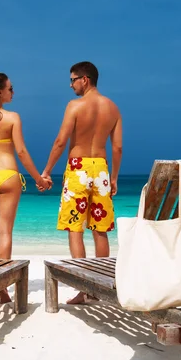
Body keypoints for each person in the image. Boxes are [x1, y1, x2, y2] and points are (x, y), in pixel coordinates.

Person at [41, 61, 122, 304]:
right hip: (101, 169)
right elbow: (117, 147)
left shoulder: (75, 106)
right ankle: (100, 288)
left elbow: (60, 142)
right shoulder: (113, 108)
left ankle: (84, 288)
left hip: (78, 168)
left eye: (73, 80)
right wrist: (115, 176)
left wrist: (46, 171)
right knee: (100, 229)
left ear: (85, 79)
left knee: (75, 229)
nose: (71, 85)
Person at [0, 72, 51, 303]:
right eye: (10, 88)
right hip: (8, 175)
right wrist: (38, 178)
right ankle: (3, 287)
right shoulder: (13, 117)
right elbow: (22, 153)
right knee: (5, 232)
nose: (13, 92)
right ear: (0, 92)